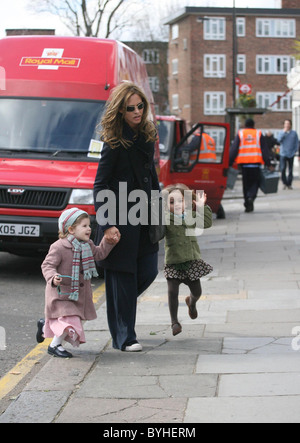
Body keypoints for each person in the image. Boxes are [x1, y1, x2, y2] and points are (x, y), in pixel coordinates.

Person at [93, 82, 160, 352]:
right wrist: (108, 222)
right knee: (122, 276)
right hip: (120, 219)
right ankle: (125, 337)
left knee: (148, 271)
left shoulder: (147, 135)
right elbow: (100, 185)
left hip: (144, 216)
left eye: (140, 106)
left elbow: (151, 177)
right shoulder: (112, 142)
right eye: (130, 108)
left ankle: (115, 313)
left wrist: (158, 210)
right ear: (120, 111)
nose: (137, 111)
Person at [36, 208, 119, 359]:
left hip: (78, 295)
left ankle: (44, 328)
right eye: (84, 226)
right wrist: (53, 277)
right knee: (71, 321)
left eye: (89, 225)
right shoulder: (59, 247)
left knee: (70, 321)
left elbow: (100, 254)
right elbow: (47, 265)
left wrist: (108, 242)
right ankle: (54, 346)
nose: (89, 229)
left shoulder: (88, 245)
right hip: (61, 292)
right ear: (71, 229)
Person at [163, 184, 213, 336]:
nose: (177, 204)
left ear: (187, 201)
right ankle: (174, 322)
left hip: (191, 259)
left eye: (180, 201)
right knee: (172, 292)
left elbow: (206, 223)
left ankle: (191, 302)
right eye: (172, 202)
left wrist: (200, 207)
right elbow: (155, 232)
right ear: (166, 205)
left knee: (197, 291)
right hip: (173, 261)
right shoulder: (165, 219)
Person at [230, 118, 272, 213]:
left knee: (246, 184)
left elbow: (234, 149)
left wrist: (229, 162)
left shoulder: (241, 133)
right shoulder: (258, 134)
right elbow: (265, 150)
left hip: (244, 165)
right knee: (255, 183)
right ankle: (251, 197)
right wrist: (268, 163)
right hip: (255, 164)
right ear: (253, 125)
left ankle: (247, 201)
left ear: (245, 125)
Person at [277, 119, 299, 190]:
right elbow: (278, 140)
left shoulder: (294, 133)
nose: (287, 125)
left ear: (290, 125)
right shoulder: (281, 132)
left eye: (288, 124)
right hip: (283, 153)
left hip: (291, 153)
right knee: (283, 169)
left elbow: (297, 143)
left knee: (290, 169)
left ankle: (289, 183)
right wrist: (284, 132)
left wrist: (295, 150)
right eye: (286, 124)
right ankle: (284, 182)